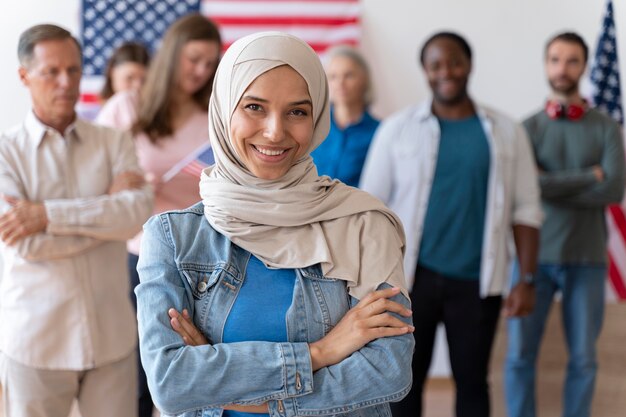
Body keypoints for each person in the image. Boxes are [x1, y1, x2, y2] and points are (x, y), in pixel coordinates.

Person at [135, 31, 415, 417]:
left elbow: (389, 372)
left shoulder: (364, 224)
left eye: (297, 111)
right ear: (224, 108)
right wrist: (321, 353)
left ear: (316, 118)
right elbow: (170, 383)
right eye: (254, 107)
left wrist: (229, 390)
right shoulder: (173, 237)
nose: (274, 131)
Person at [360, 31, 543, 417]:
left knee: (472, 380)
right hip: (409, 282)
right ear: (425, 71)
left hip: (478, 282)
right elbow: (370, 208)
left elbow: (526, 209)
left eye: (454, 62)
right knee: (403, 380)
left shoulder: (507, 132)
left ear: (469, 65)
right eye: (436, 64)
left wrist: (525, 279)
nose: (447, 71)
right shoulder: (397, 128)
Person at [0, 24, 153, 417]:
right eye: (52, 71)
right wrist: (105, 212)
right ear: (24, 76)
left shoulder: (113, 140)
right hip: (36, 344)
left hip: (112, 341)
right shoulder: (6, 153)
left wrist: (47, 214)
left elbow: (135, 217)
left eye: (74, 69)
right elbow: (26, 242)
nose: (66, 82)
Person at [96, 12, 221, 417]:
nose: (201, 71)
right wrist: (122, 186)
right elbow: (89, 184)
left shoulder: (214, 118)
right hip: (138, 254)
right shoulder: (125, 107)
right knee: (137, 367)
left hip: (199, 257)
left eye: (210, 63)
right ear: (171, 54)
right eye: (194, 59)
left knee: (189, 368)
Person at [504, 32, 625, 417]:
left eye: (572, 60)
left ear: (584, 66)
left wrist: (549, 184)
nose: (563, 68)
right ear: (545, 65)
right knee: (520, 356)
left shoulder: (606, 127)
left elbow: (613, 190)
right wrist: (589, 175)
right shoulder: (527, 128)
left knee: (584, 359)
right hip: (532, 260)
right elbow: (524, 190)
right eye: (555, 59)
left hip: (586, 258)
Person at [310, 45, 379, 187]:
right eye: (333, 77)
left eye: (349, 75)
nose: (340, 83)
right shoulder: (312, 125)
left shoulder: (380, 132)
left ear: (364, 80)